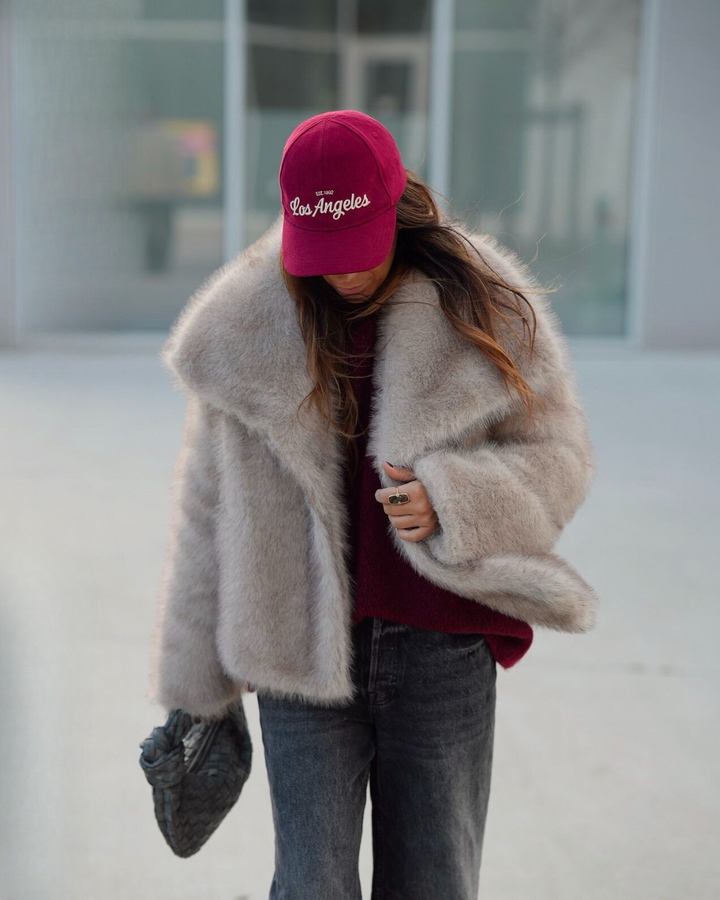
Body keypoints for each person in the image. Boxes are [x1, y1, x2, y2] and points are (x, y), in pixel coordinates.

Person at [148, 109, 598, 899]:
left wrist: (453, 499)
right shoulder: (245, 331)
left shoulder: (483, 308)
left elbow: (560, 461)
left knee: (436, 882)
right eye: (323, 256)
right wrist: (197, 683)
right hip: (298, 655)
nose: (344, 274)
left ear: (398, 207)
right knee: (309, 884)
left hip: (442, 650)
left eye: (359, 250)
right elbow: (206, 511)